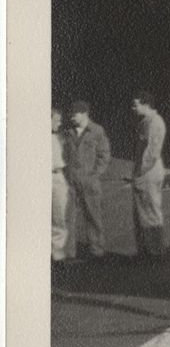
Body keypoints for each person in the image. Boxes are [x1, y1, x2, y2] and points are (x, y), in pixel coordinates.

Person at [62, 101, 113, 262]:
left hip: (89, 181)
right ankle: (69, 252)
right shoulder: (69, 132)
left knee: (93, 216)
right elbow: (64, 154)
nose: (71, 118)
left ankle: (96, 250)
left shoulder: (97, 131)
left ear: (84, 113)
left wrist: (95, 174)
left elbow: (104, 155)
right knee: (68, 217)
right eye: (71, 114)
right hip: (71, 181)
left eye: (74, 114)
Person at [128, 89, 167, 260]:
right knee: (143, 213)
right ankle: (147, 251)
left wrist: (139, 173)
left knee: (150, 212)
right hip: (145, 171)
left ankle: (155, 253)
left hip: (148, 172)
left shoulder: (154, 123)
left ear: (146, 104)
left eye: (136, 104)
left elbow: (152, 153)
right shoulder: (146, 121)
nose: (133, 108)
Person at [51, 109, 71, 266]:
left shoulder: (60, 137)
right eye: (56, 120)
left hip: (58, 177)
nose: (59, 123)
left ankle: (57, 253)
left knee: (59, 215)